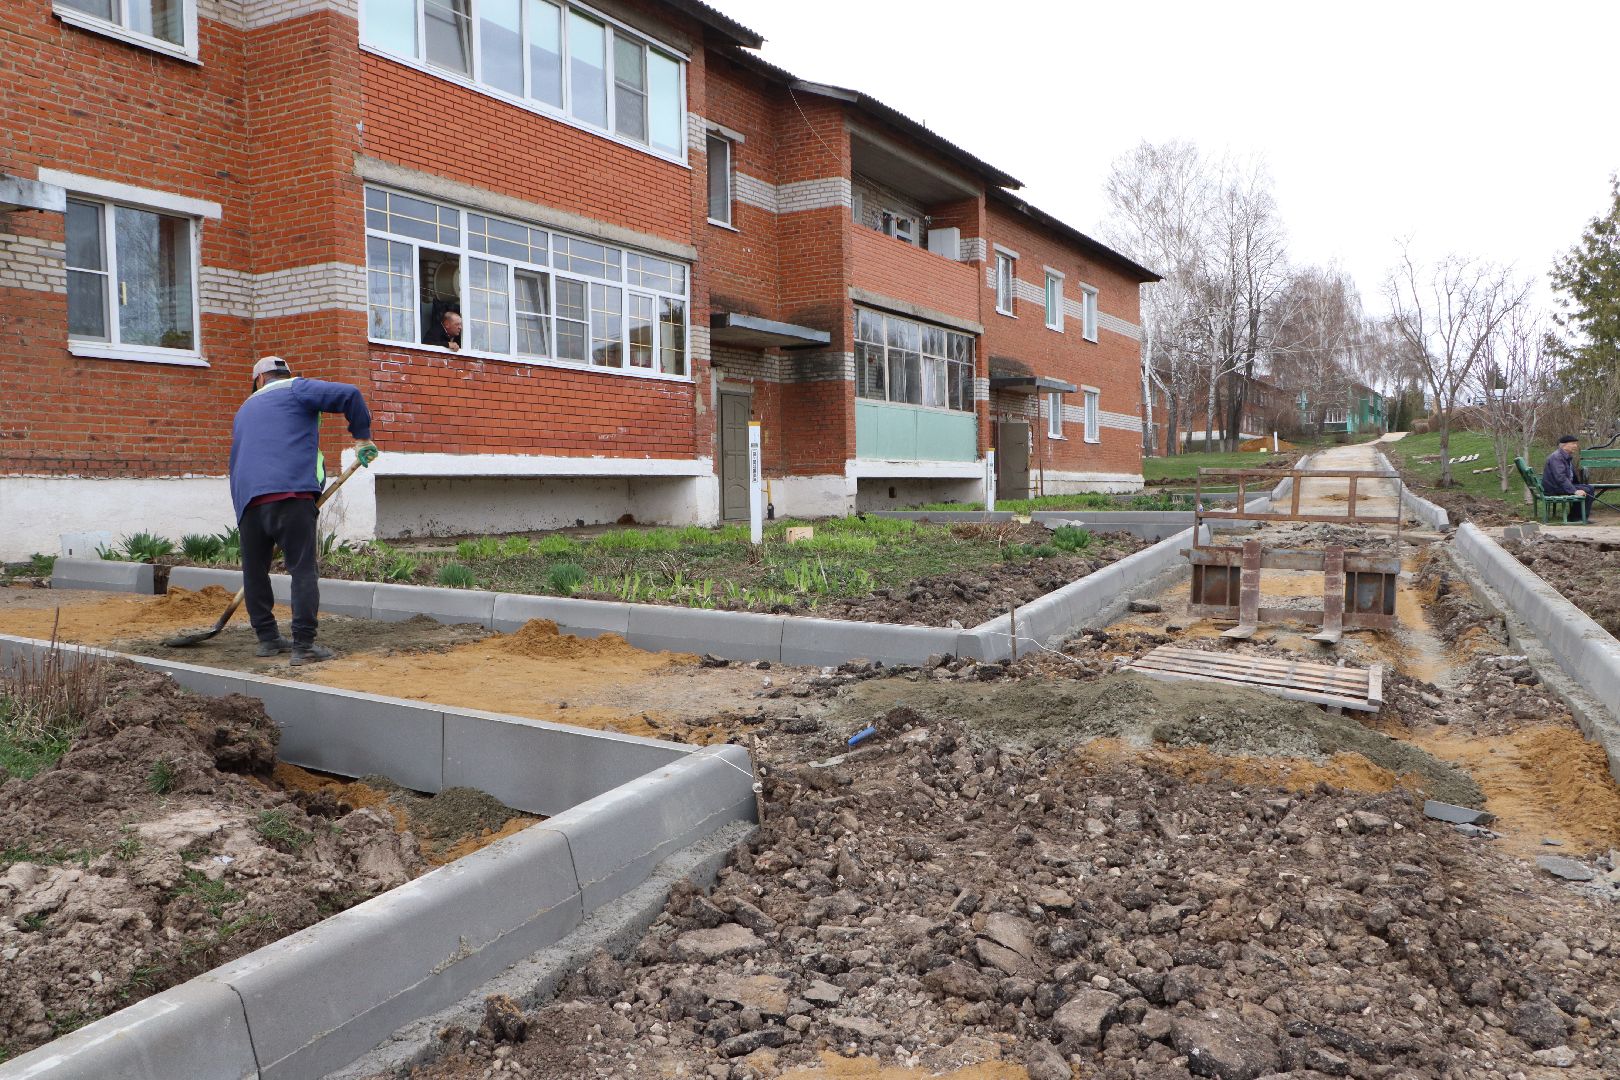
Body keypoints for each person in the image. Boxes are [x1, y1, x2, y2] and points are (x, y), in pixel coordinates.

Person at [229, 356, 379, 665]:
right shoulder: (297, 388)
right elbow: (350, 394)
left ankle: (268, 640)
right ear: (284, 375)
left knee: (255, 572)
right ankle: (304, 645)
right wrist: (362, 439)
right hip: (290, 494)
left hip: (247, 501)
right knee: (302, 569)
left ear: (259, 381)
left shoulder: (243, 410)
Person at [1542, 434, 1596, 523]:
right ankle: (1576, 518)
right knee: (1586, 490)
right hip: (1554, 488)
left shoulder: (1565, 456)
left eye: (1576, 444)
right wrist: (1575, 490)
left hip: (1559, 485)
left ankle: (1578, 517)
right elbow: (1560, 477)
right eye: (1573, 443)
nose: (1576, 446)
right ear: (1564, 445)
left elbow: (1570, 476)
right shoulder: (1557, 457)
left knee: (1589, 488)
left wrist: (1577, 486)